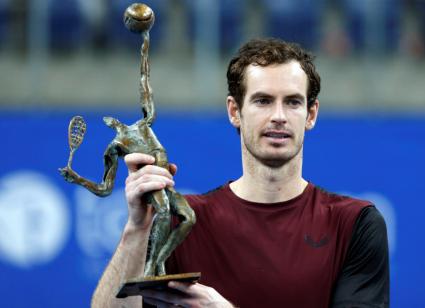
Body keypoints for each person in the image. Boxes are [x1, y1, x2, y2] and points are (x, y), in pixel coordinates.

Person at [91, 38, 389, 308]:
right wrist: (137, 229)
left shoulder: (354, 224)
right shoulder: (182, 222)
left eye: (293, 102)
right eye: (263, 101)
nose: (279, 116)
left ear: (311, 114)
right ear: (234, 111)